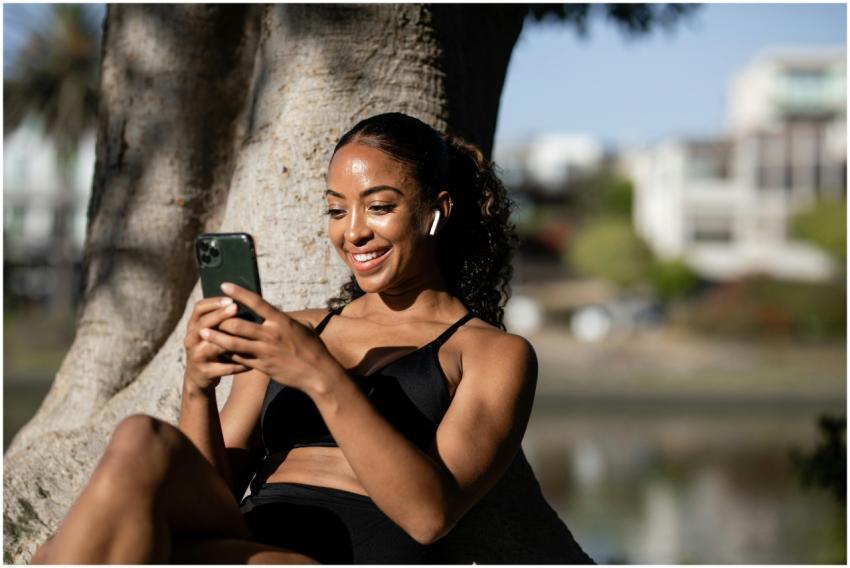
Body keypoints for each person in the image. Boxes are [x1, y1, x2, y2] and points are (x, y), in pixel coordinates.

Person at [33, 112, 540, 563]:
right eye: (337, 211)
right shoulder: (296, 329)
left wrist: (319, 375)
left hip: (342, 556)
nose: (354, 232)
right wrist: (198, 386)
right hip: (244, 540)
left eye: (379, 206)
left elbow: (429, 516)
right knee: (140, 437)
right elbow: (216, 491)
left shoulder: (491, 353)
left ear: (437, 210)